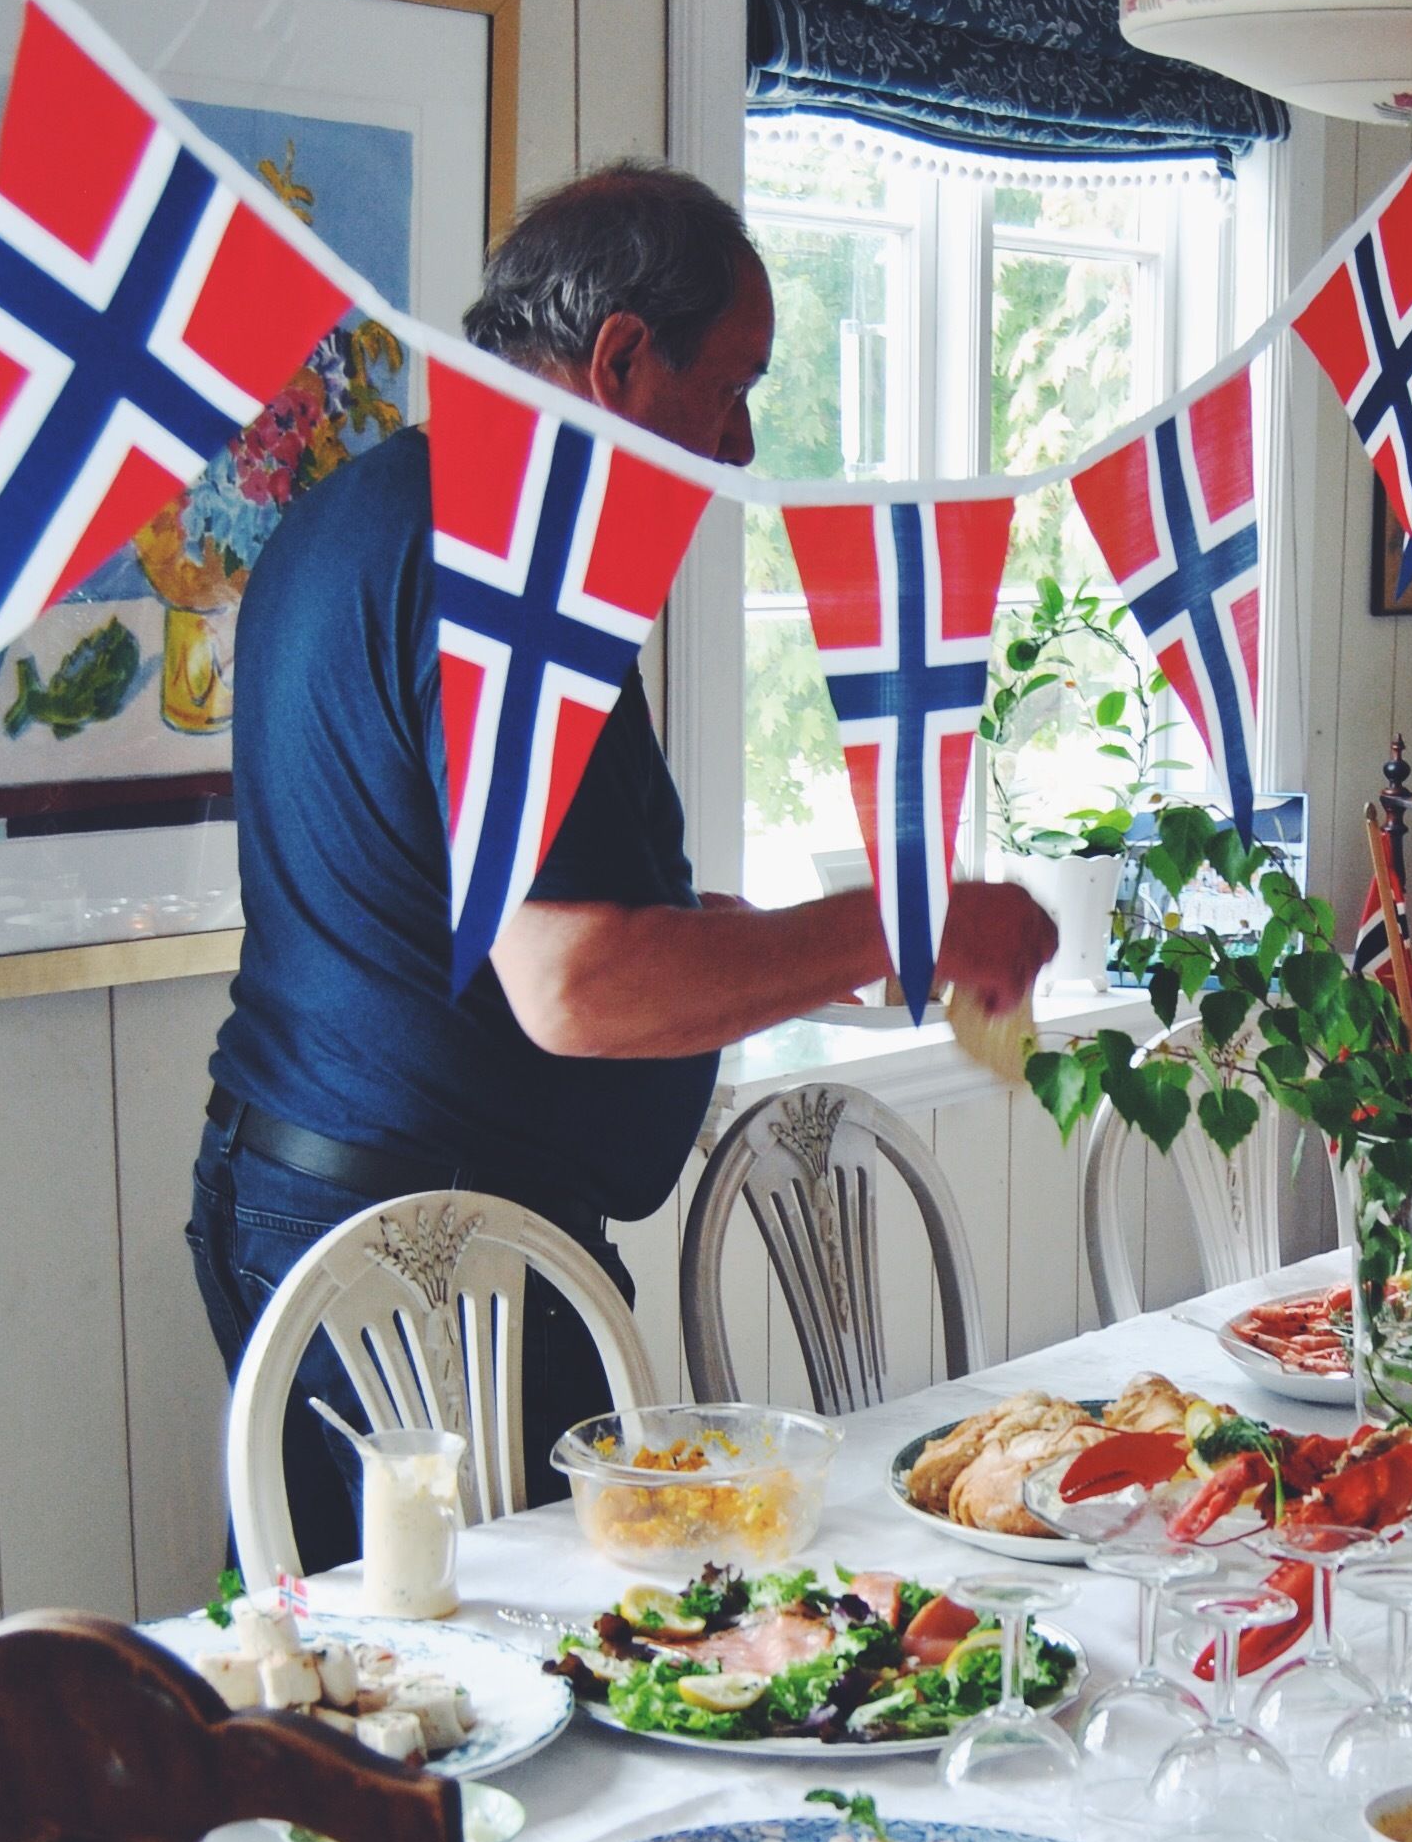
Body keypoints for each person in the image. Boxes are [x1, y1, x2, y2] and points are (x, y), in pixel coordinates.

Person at [192, 163, 1056, 1567]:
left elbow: (563, 921)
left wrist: (879, 950)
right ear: (619, 356)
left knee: (350, 1671)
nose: (739, 439)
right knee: (501, 1690)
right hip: (431, 1253)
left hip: (293, 1191)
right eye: (732, 384)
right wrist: (917, 911)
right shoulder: (517, 565)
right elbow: (579, 983)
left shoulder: (368, 512)